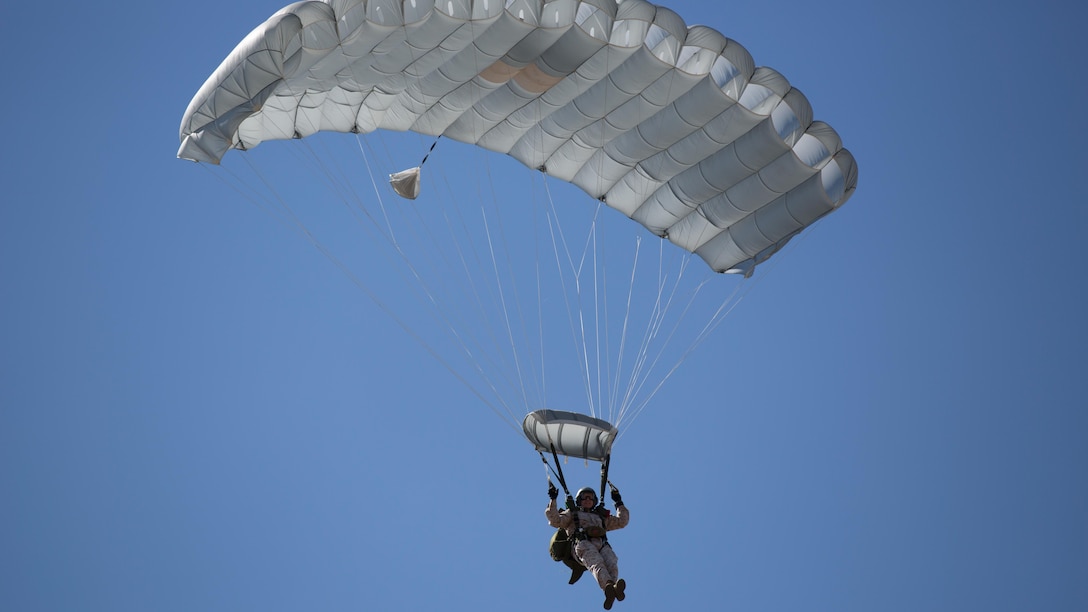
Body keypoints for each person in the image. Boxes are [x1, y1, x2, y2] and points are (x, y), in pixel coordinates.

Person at [546, 483, 630, 609]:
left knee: (612, 561)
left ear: (594, 501)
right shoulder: (572, 513)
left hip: (602, 544)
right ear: (579, 500)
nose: (587, 500)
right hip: (582, 544)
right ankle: (607, 585)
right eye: (585, 498)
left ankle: (614, 588)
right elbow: (555, 520)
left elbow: (622, 521)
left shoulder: (601, 517)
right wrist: (553, 500)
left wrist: (618, 502)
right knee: (597, 563)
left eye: (590, 498)